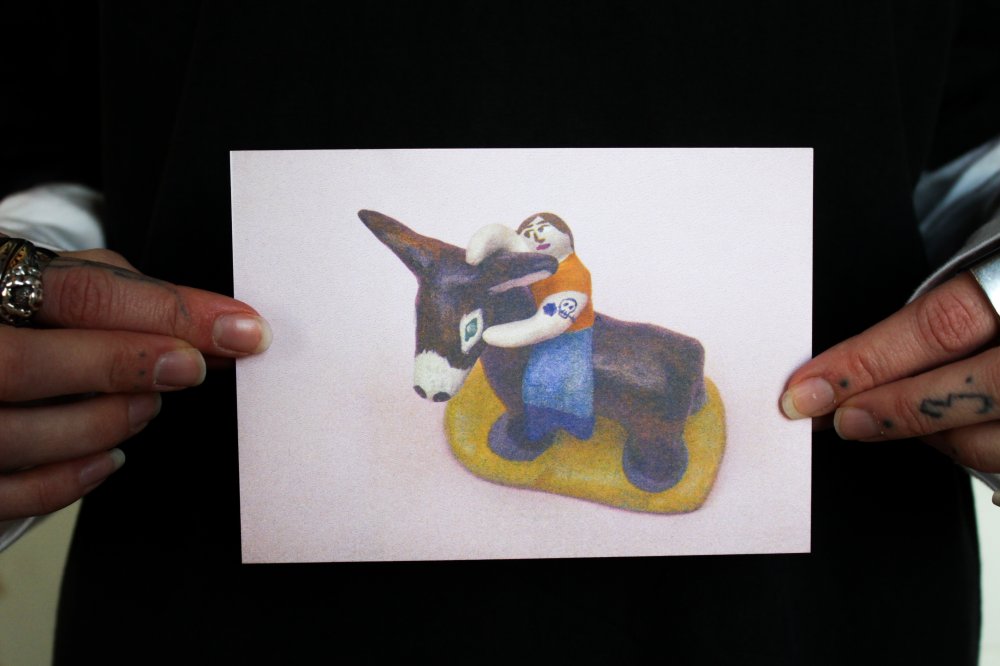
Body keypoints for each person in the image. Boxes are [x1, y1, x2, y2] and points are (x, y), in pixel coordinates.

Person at [2, 3, 998, 663]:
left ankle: (634, 438)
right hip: (208, 606)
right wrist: (22, 271)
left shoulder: (560, 286)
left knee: (569, 378)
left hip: (810, 617)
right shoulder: (509, 264)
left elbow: (970, 130)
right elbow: (45, 125)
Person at [467, 213, 596, 444]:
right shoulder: (542, 265)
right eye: (529, 234)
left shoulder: (574, 274)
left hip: (569, 334)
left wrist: (491, 335)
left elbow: (549, 324)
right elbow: (519, 280)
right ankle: (542, 424)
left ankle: (567, 427)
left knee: (550, 379)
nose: (537, 237)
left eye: (542, 230)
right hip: (540, 324)